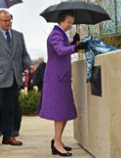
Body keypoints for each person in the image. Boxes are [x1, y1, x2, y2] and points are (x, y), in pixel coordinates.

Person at [37, 10, 88, 157]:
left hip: (61, 78)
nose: (70, 26)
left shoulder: (60, 34)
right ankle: (57, 143)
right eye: (68, 23)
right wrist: (76, 47)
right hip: (56, 79)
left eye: (71, 23)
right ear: (61, 21)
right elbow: (60, 50)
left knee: (64, 111)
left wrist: (73, 43)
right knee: (60, 112)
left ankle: (57, 141)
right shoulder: (56, 34)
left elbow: (63, 49)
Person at [0, 9, 34, 151]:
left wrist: (29, 64)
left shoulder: (18, 36)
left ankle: (8, 135)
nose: (8, 23)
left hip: (14, 78)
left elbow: (24, 54)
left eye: (10, 20)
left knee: (10, 109)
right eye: (5, 20)